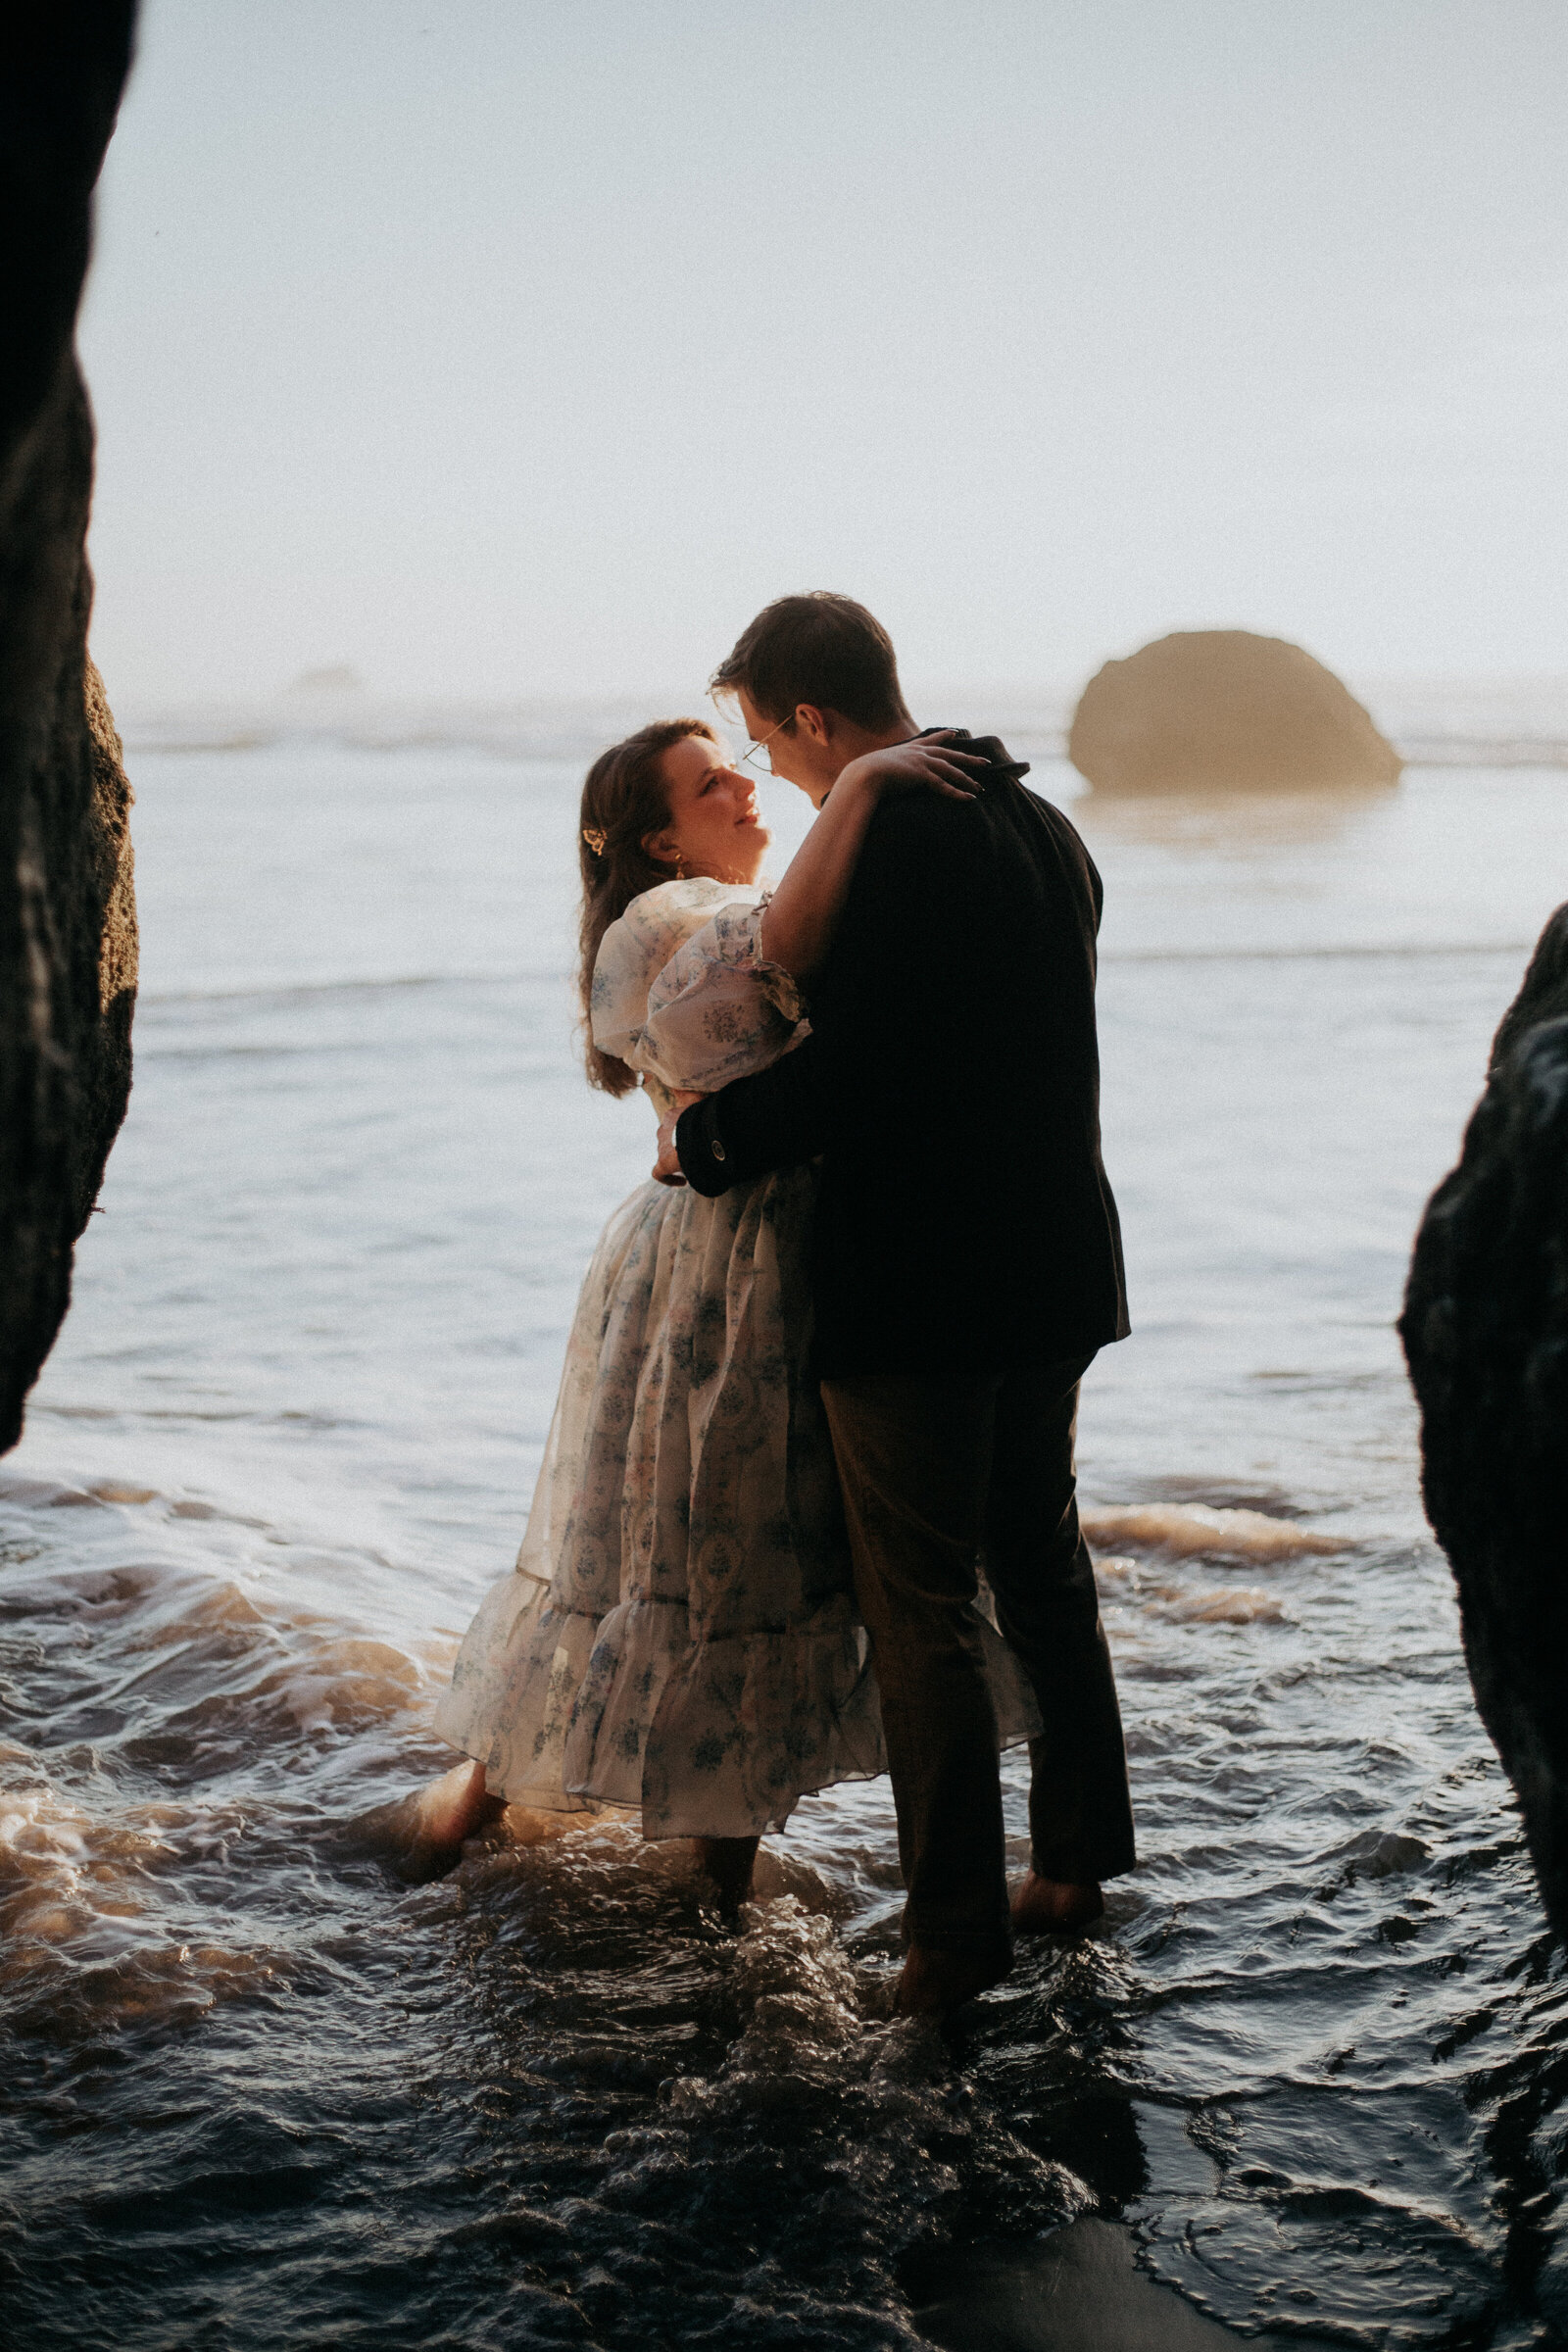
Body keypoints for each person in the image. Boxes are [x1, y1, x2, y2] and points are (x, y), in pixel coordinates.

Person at [403, 711, 1041, 1906]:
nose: (745, 794)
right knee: (669, 1538)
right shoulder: (666, 918)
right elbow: (776, 961)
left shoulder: (711, 905)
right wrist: (861, 789)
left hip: (780, 1251)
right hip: (719, 1265)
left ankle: (709, 1865)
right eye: (712, 787)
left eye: (740, 776)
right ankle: (501, 1807)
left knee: (750, 1546)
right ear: (655, 837)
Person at [666, 593, 1136, 2015]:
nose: (782, 772)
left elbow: (866, 1069)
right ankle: (1070, 1868)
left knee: (920, 1600)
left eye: (770, 740)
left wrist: (707, 1141)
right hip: (1057, 1255)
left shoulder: (888, 828)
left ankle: (948, 1945)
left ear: (815, 717)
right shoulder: (1045, 827)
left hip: (928, 1272)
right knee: (1041, 1561)